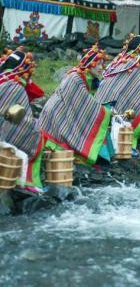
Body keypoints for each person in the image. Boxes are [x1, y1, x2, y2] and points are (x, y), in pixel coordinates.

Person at [39, 45, 114, 165]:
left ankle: (103, 157)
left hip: (63, 112)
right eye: (98, 64)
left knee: (99, 117)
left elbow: (85, 102)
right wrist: (106, 111)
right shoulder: (76, 77)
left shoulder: (89, 78)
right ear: (89, 64)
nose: (101, 68)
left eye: (102, 64)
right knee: (100, 115)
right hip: (55, 114)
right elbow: (86, 101)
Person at [96, 34, 140, 150]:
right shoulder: (133, 63)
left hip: (101, 100)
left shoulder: (120, 59)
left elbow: (134, 87)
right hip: (113, 104)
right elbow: (139, 92)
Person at [0, 49, 45, 189]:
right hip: (3, 135)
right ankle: (26, 184)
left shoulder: (5, 78)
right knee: (37, 137)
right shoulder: (15, 86)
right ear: (23, 70)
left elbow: (37, 93)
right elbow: (18, 121)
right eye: (29, 70)